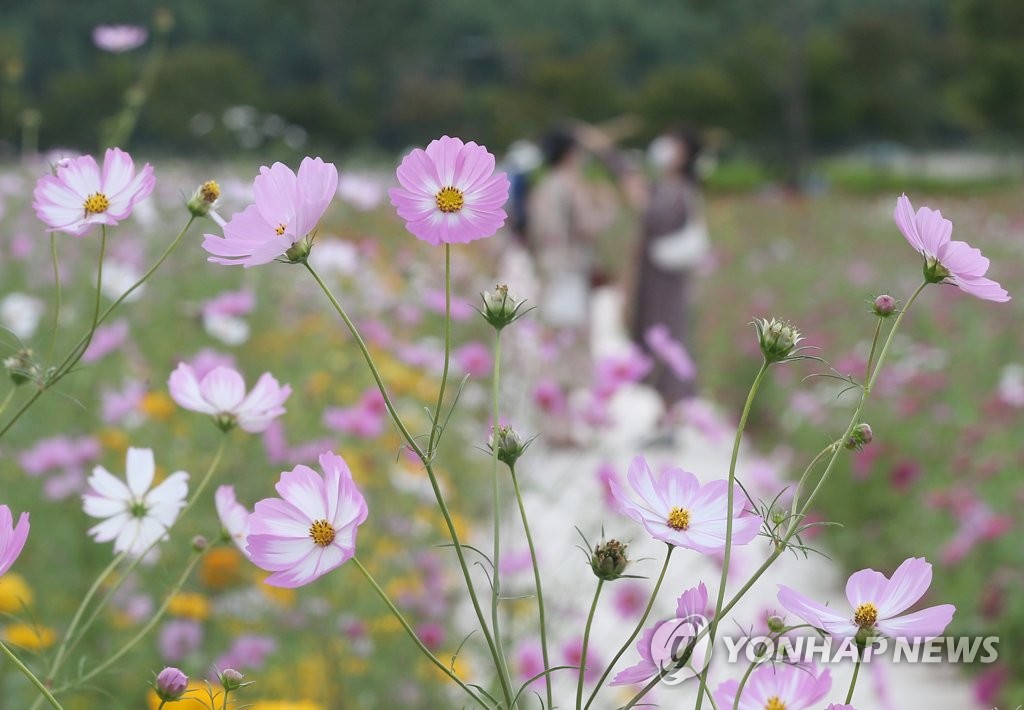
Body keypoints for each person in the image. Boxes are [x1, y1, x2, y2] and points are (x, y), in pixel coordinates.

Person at [627, 126, 707, 405]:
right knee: (654, 330)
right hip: (655, 275)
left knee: (667, 333)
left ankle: (673, 403)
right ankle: (662, 405)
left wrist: (640, 202)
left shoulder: (679, 190)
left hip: (667, 278)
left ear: (683, 154)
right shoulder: (662, 186)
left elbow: (655, 219)